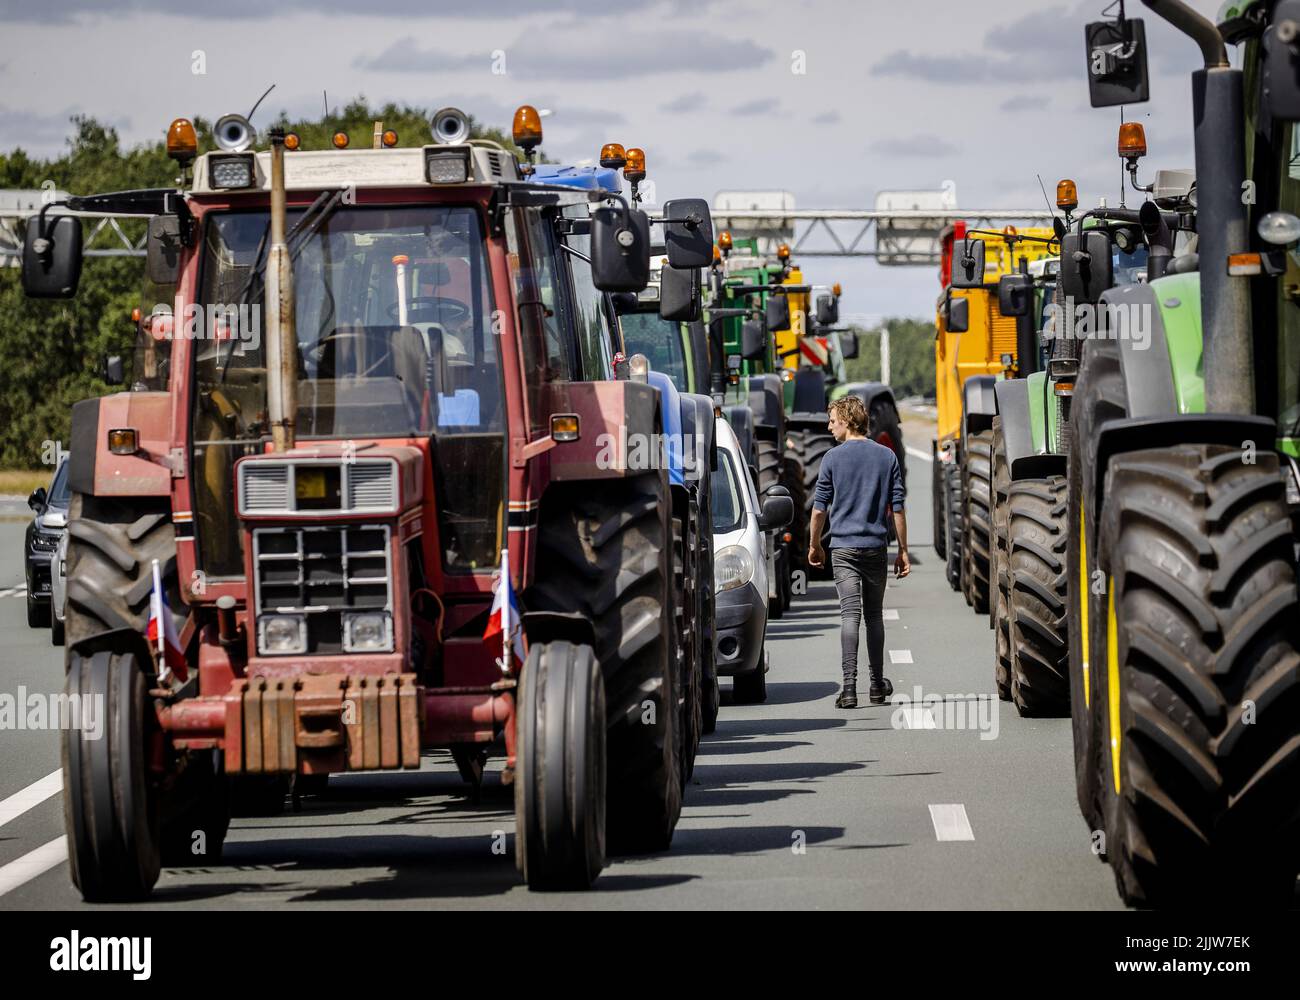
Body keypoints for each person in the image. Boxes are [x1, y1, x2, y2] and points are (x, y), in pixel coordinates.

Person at [808, 396, 909, 708]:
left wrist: (815, 544)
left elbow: (818, 511)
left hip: (843, 549)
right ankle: (877, 685)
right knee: (874, 617)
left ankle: (849, 689)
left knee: (849, 616)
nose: (829, 427)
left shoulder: (832, 459)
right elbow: (899, 509)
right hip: (875, 548)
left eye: (833, 421)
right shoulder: (886, 457)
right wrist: (902, 550)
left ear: (848, 422)